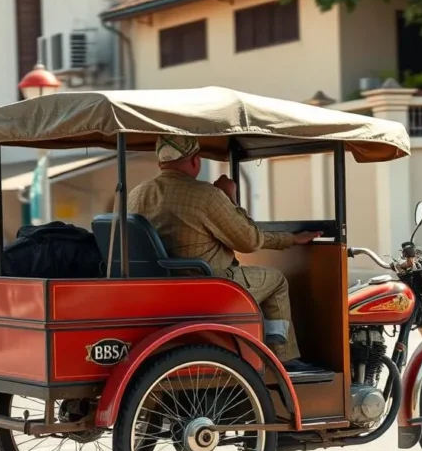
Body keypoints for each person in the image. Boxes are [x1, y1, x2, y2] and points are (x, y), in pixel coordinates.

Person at [128, 135, 321, 373]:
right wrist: (229, 198)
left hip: (157, 289)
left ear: (160, 162)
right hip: (209, 286)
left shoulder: (136, 195)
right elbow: (249, 240)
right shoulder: (206, 195)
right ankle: (281, 358)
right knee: (276, 281)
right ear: (195, 161)